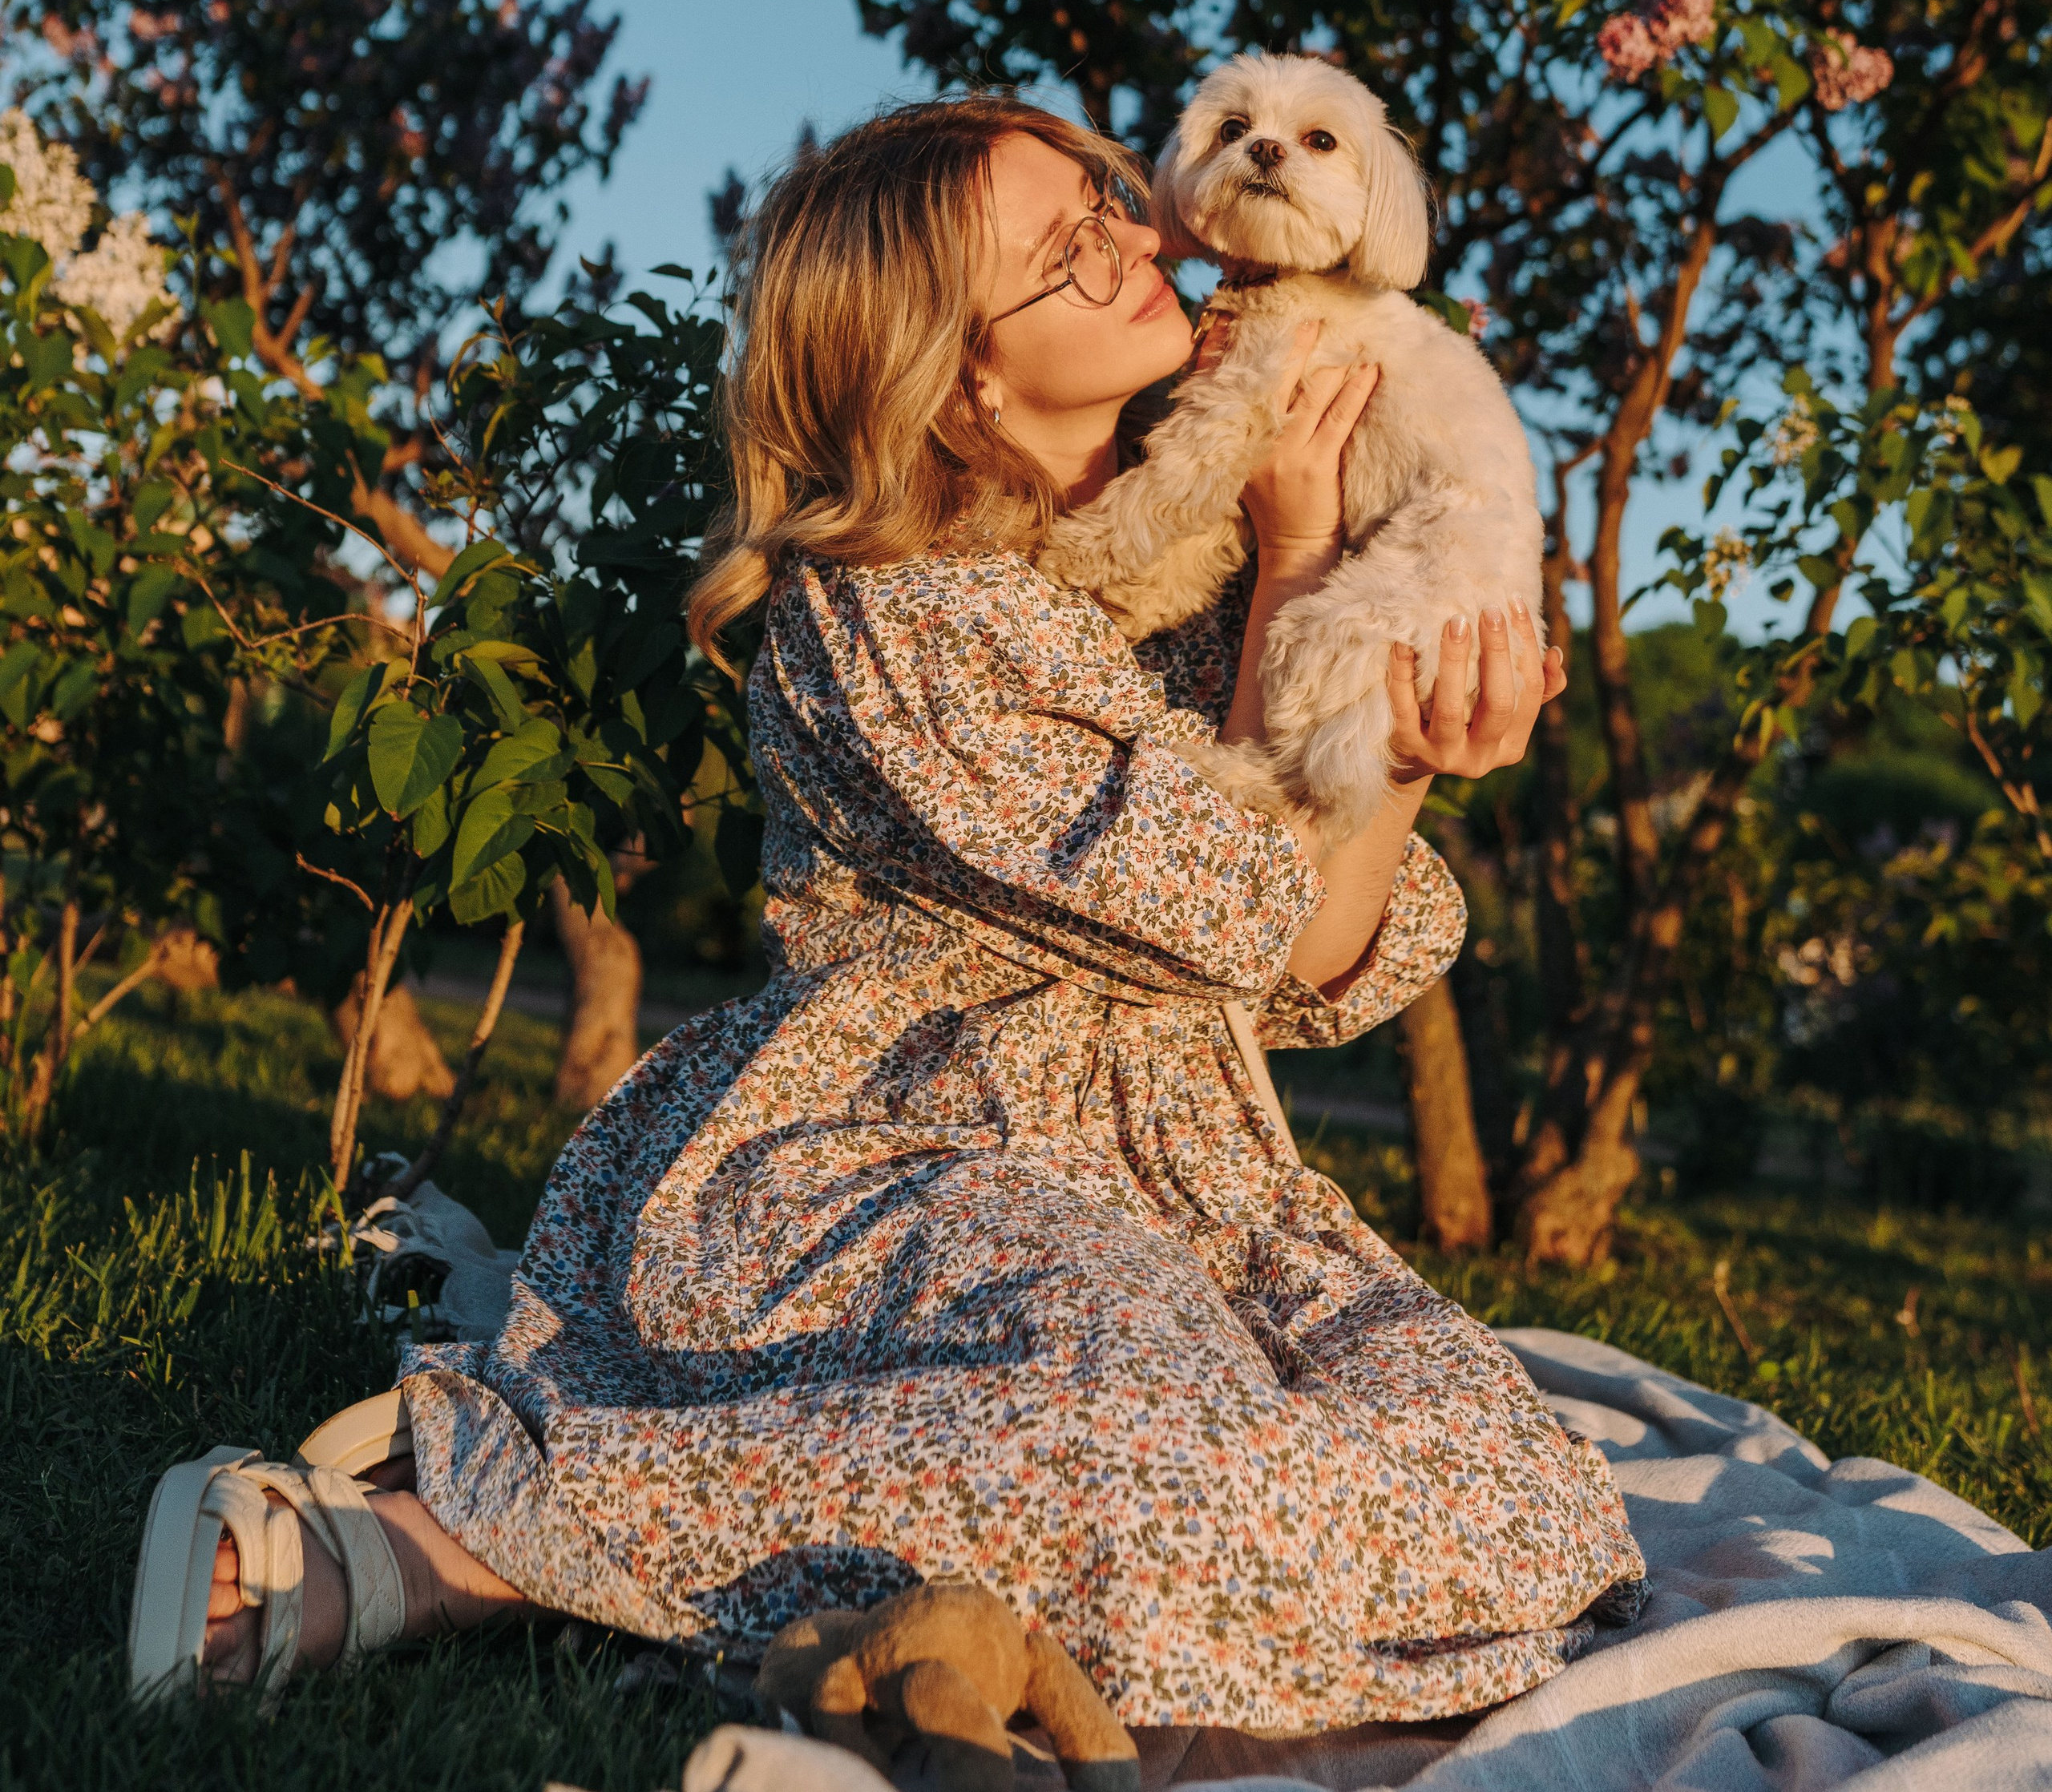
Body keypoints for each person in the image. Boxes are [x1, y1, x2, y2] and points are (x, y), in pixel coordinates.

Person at [133, 95, 1641, 1729]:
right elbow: (1239, 913)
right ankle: (449, 1539)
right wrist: (1297, 558)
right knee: (1182, 1451)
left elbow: (1306, 981)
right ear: (960, 367)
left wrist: (1398, 744)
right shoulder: (892, 613)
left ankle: (977, 1585)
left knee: (1522, 1492)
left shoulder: (1176, 555)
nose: (1145, 238)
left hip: (1173, 1174)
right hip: (894, 1153)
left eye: (1114, 203)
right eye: (1067, 248)